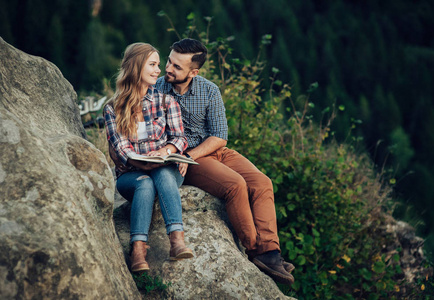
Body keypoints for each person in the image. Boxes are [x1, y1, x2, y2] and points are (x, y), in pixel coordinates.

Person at [153, 38, 295, 285]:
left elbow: (219, 135)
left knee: (262, 183)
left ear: (193, 72)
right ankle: (256, 251)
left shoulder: (209, 90)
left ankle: (271, 251)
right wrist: (185, 155)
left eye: (177, 66)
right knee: (235, 185)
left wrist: (193, 154)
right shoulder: (156, 90)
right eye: (169, 61)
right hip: (187, 159)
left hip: (212, 151)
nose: (168, 68)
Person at [104, 42, 193, 273]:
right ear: (136, 67)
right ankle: (138, 250)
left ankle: (176, 241)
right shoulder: (113, 108)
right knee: (144, 184)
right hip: (130, 176)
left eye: (157, 64)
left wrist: (166, 151)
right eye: (152, 65)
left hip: (165, 169)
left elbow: (181, 138)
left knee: (162, 172)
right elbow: (121, 149)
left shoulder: (166, 101)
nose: (158, 70)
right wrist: (139, 162)